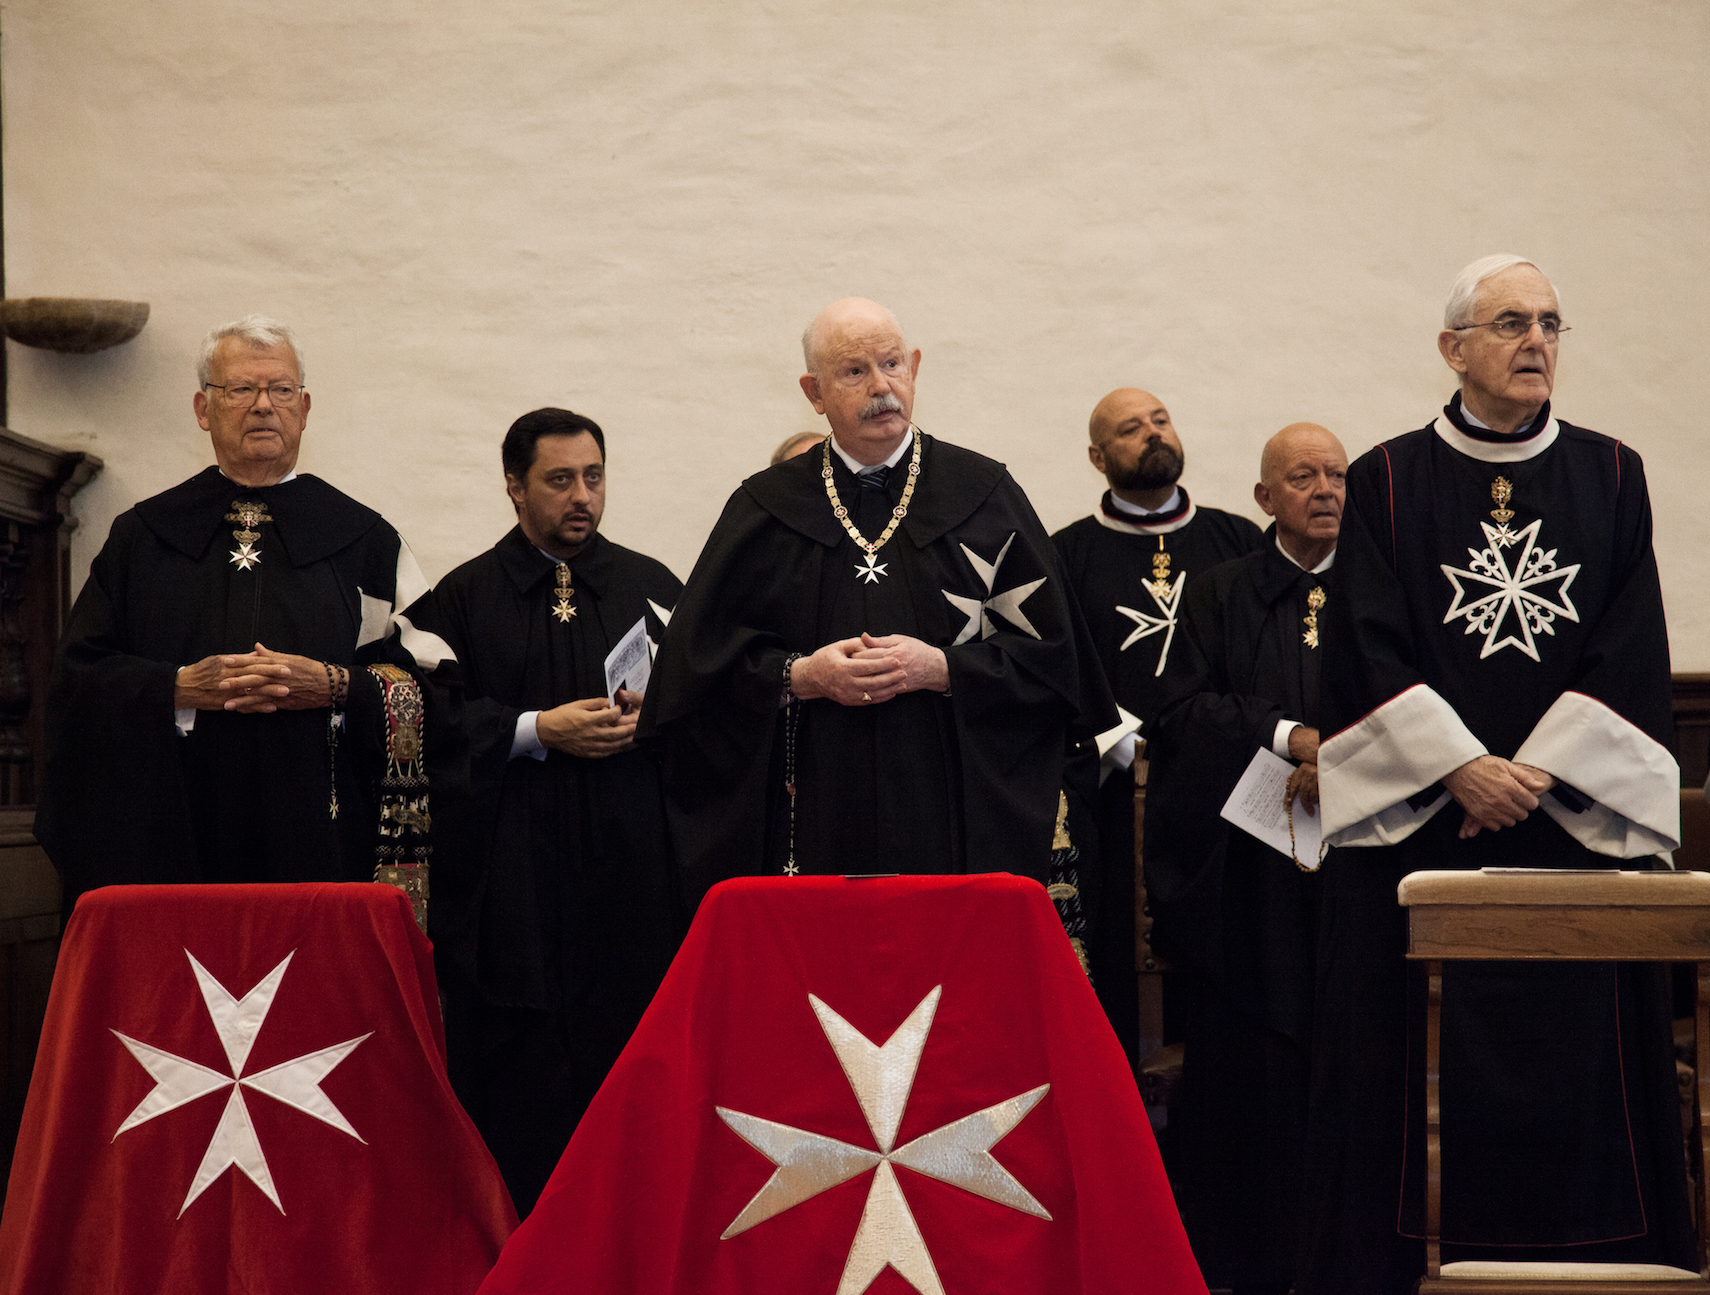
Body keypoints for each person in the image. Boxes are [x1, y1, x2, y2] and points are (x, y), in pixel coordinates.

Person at [1305, 256, 1692, 1291]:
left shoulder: (1614, 474)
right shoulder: (1386, 478)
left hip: (1569, 829)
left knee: (1582, 1065)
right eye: (1512, 322)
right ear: (1453, 347)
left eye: (1552, 323)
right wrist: (1462, 768)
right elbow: (1364, 648)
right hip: (1425, 829)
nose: (1536, 342)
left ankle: (1603, 1257)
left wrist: (1540, 773)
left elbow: (1630, 642)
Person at [639, 297, 1114, 895]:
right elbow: (692, 679)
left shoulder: (985, 494)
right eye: (854, 371)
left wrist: (944, 669)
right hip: (810, 817)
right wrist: (800, 675)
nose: (881, 386)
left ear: (914, 366)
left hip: (954, 822)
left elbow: (1056, 666)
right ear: (814, 392)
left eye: (891, 364)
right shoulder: (763, 508)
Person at [37, 315, 437, 904]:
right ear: (204, 408)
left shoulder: (364, 541)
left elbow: (431, 684)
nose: (263, 406)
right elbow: (77, 678)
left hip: (320, 835)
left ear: (304, 407)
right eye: (241, 390)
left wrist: (332, 685)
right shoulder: (143, 537)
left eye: (280, 390)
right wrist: (174, 687)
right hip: (174, 836)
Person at [399, 408, 684, 1216]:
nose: (582, 497)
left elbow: (710, 715)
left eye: (593, 477)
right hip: (511, 899)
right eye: (560, 480)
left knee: (629, 1090)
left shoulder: (654, 587)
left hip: (629, 893)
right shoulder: (456, 601)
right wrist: (533, 729)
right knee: (518, 1101)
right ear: (514, 486)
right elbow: (423, 721)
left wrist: (651, 714)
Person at [1143, 423, 1345, 1295]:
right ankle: (1244, 1257)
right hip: (1248, 881)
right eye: (1304, 476)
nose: (1327, 489)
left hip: (1355, 867)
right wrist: (1290, 738)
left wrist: (1345, 754)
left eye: (1337, 474)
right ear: (1265, 498)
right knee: (1253, 1065)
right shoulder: (1220, 591)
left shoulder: (1384, 587)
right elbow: (1182, 711)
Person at [1053, 388, 1264, 1066]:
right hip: (1117, 793)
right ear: (1097, 456)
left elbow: (1262, 658)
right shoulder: (1065, 556)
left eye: (1160, 420)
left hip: (1226, 796)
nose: (1152, 434)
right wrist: (1122, 744)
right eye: (1129, 428)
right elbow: (1059, 666)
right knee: (1120, 950)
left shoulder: (1238, 542)